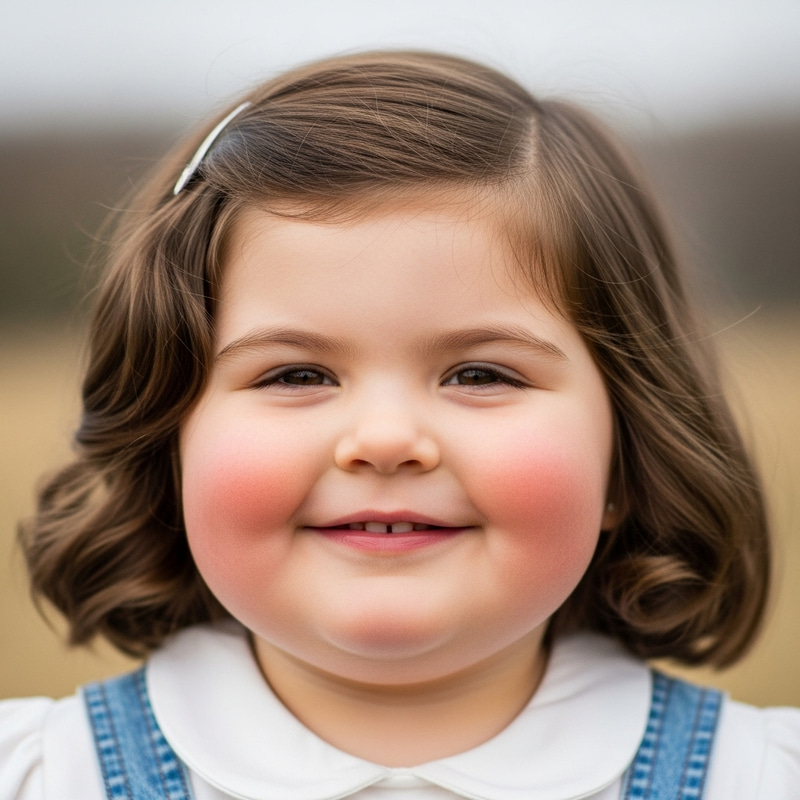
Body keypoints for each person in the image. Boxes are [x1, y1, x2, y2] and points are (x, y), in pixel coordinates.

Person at [1, 51, 797, 800]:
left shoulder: (757, 777)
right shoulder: (44, 776)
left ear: (627, 454)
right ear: (165, 439)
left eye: (481, 374)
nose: (383, 439)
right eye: (297, 374)